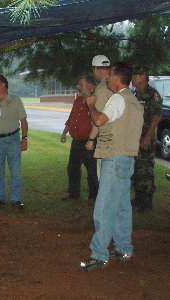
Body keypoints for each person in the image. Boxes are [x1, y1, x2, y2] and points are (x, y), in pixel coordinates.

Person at [80, 62, 143, 271]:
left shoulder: (117, 99)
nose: (107, 78)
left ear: (116, 78)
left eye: (110, 75)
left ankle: (99, 254)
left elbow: (99, 120)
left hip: (115, 158)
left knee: (105, 206)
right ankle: (124, 248)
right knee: (122, 205)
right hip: (127, 158)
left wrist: (91, 104)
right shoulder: (133, 100)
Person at [0, 74, 28, 209]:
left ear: (3, 85)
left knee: (16, 171)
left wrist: (24, 138)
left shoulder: (15, 100)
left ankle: (16, 200)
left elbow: (23, 122)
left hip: (13, 140)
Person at [60, 75, 98, 202]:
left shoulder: (95, 101)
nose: (78, 87)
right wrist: (65, 132)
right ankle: (73, 194)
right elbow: (71, 117)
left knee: (92, 172)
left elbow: (97, 121)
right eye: (79, 84)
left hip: (89, 143)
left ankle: (93, 197)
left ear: (91, 86)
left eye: (81, 85)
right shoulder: (78, 101)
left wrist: (91, 140)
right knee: (72, 169)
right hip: (76, 142)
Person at [131, 65, 162, 214]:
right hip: (136, 137)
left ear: (143, 76)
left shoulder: (153, 94)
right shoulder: (136, 94)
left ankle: (147, 202)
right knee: (137, 169)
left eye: (135, 75)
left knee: (146, 169)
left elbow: (156, 116)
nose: (133, 78)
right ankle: (138, 197)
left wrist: (148, 137)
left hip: (146, 138)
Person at [85, 55, 114, 153]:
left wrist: (91, 140)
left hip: (107, 138)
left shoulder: (102, 89)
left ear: (96, 69)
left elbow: (98, 118)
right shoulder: (117, 84)